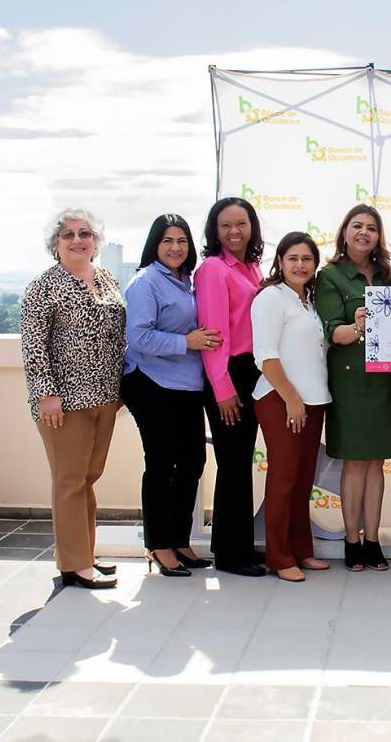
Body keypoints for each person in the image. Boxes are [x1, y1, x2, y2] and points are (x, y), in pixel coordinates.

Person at [20, 209, 125, 589]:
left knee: (88, 478)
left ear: (96, 242)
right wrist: (46, 394)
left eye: (85, 233)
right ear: (55, 244)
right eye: (68, 234)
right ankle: (74, 563)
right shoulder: (44, 286)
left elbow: (118, 336)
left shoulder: (108, 280)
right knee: (69, 481)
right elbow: (34, 345)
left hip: (105, 396)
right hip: (64, 401)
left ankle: (84, 553)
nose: (77, 239)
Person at [122, 214, 220, 577]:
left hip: (186, 385)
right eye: (167, 241)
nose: (176, 247)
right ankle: (159, 545)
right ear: (154, 245)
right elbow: (139, 337)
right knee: (162, 465)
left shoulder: (187, 282)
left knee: (192, 463)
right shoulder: (146, 282)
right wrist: (187, 342)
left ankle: (180, 540)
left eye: (181, 241)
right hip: (151, 383)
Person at [315, 204, 391, 572]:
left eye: (372, 227)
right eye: (357, 226)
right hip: (351, 381)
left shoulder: (390, 275)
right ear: (345, 231)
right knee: (355, 464)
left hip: (386, 383)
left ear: (378, 236)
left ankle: (373, 541)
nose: (364, 233)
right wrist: (357, 327)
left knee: (377, 464)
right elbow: (332, 331)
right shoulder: (330, 276)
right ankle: (350, 541)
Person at [251, 232, 332, 583]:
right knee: (283, 478)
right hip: (280, 399)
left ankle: (301, 550)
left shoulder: (308, 302)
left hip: (313, 401)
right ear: (280, 262)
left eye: (307, 259)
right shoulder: (271, 297)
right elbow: (265, 356)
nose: (300, 265)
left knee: (302, 481)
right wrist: (292, 399)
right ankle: (279, 556)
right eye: (293, 258)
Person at [195, 197, 267, 577]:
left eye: (241, 223)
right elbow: (213, 335)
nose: (235, 231)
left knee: (240, 463)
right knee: (233, 463)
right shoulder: (212, 270)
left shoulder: (252, 267)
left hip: (252, 370)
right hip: (228, 373)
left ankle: (240, 546)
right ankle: (229, 554)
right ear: (215, 230)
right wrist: (222, 388)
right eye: (226, 225)